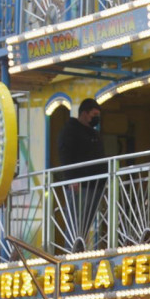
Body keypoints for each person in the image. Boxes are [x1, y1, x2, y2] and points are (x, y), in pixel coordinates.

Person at [56, 98, 106, 253]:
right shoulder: (70, 131)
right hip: (80, 185)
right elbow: (65, 155)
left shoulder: (93, 133)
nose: (96, 118)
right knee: (75, 224)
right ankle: (71, 255)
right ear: (84, 114)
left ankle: (78, 252)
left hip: (96, 185)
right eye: (94, 114)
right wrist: (72, 179)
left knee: (86, 223)